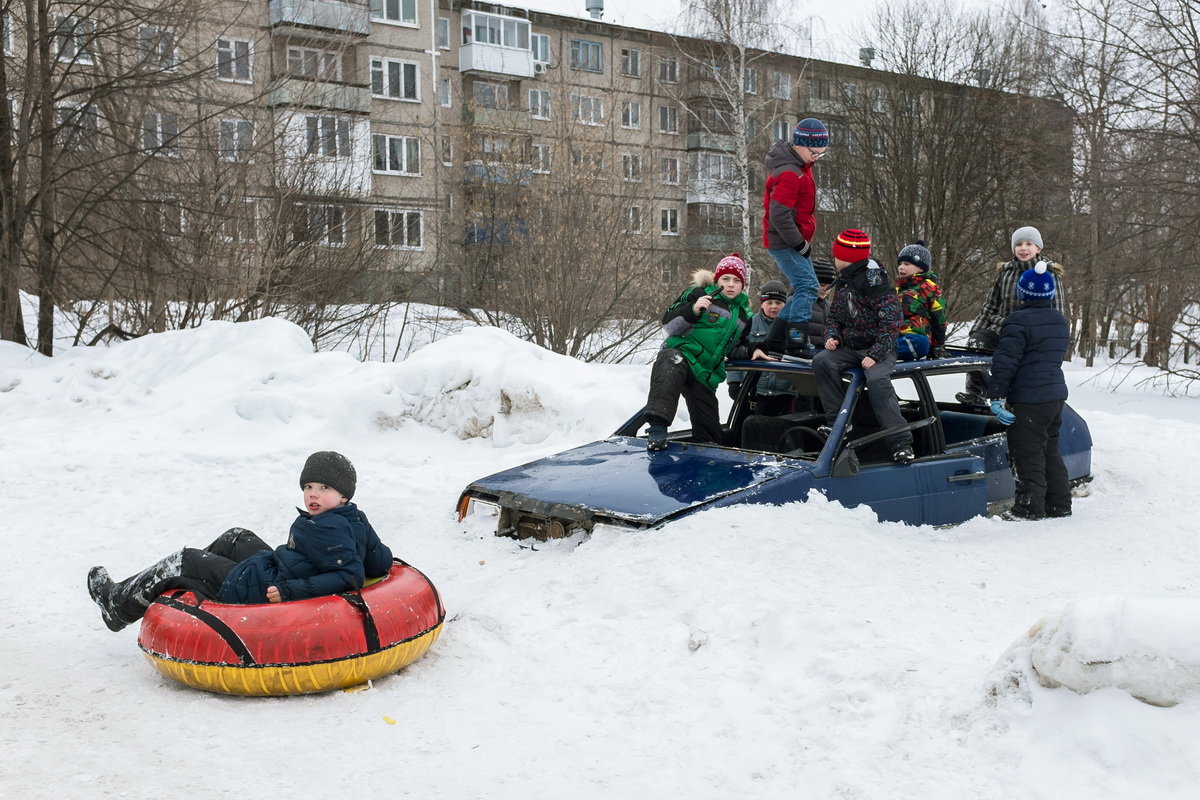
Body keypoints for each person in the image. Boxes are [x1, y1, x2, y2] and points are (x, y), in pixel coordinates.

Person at [86, 451, 393, 632]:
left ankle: (117, 605)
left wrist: (289, 590)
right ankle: (194, 593)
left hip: (262, 589)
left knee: (185, 559)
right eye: (308, 486)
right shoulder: (353, 517)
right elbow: (378, 562)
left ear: (344, 495)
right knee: (236, 537)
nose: (312, 494)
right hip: (278, 569)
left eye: (324, 487)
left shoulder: (327, 528)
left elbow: (348, 576)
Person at [644, 254, 770, 450]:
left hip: (704, 374)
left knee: (711, 436)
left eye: (737, 280)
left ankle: (707, 459)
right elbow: (669, 326)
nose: (731, 284)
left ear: (743, 285)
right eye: (726, 279)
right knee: (670, 363)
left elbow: (735, 348)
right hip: (682, 355)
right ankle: (657, 428)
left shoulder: (745, 315)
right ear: (717, 279)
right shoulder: (698, 294)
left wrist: (754, 350)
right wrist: (693, 310)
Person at [812, 229, 915, 464]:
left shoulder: (873, 278)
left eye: (836, 255)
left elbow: (892, 320)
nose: (834, 259)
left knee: (877, 380)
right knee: (822, 361)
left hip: (879, 347)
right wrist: (831, 336)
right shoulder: (844, 280)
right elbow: (835, 317)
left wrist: (876, 354)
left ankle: (900, 442)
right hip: (850, 346)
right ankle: (838, 426)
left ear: (846, 257)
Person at [986, 262, 1072, 520]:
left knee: (1027, 453)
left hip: (1029, 398)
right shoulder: (1059, 320)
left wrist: (996, 397)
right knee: (1050, 451)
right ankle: (1059, 504)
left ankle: (1029, 508)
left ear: (1021, 293)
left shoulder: (1017, 321)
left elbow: (1005, 362)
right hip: (1055, 396)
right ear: (1050, 295)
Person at [958, 226, 1066, 405]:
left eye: (1028, 244)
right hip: (1000, 328)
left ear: (1038, 248)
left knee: (1016, 367)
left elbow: (1057, 313)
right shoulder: (1005, 274)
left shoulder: (1049, 275)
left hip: (1029, 335)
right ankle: (975, 394)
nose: (1023, 248)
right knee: (977, 343)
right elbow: (990, 306)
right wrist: (975, 332)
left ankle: (1012, 402)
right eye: (1019, 244)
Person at [761, 117, 828, 359]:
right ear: (799, 145)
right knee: (808, 286)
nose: (817, 157)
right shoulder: (790, 173)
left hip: (793, 241)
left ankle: (775, 339)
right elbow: (779, 216)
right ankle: (797, 341)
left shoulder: (801, 168)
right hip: (785, 242)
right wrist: (799, 243)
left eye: (822, 152)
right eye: (814, 152)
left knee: (802, 287)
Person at [726, 279, 798, 415]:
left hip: (784, 391)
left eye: (778, 303)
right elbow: (736, 350)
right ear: (762, 303)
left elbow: (804, 350)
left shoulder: (794, 325)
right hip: (754, 391)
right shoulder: (750, 322)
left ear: (785, 304)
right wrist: (734, 381)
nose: (773, 307)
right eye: (769, 302)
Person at [894, 239, 947, 361]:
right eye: (900, 264)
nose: (901, 267)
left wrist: (938, 346)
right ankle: (877, 350)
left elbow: (939, 319)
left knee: (921, 343)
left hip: (916, 335)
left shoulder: (929, 288)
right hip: (896, 336)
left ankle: (885, 352)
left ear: (921, 268)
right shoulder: (897, 289)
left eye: (906, 264)